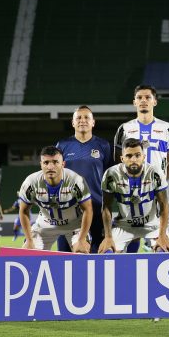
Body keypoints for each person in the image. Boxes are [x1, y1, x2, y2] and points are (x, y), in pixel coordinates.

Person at [115, 84, 169, 251]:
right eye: (140, 98)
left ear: (154, 102)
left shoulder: (167, 128)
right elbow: (117, 159)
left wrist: (161, 182)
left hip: (158, 188)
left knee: (162, 243)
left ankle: (156, 245)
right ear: (134, 102)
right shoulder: (124, 129)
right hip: (130, 187)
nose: (143, 101)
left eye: (147, 98)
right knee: (131, 232)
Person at [55, 105, 113, 253]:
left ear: (93, 122)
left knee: (96, 255)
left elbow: (107, 177)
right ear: (73, 123)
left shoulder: (103, 145)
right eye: (78, 118)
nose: (82, 120)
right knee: (65, 254)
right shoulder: (62, 145)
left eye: (86, 117)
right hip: (68, 209)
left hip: (96, 208)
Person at [98, 138, 169, 253]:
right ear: (122, 159)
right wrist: (108, 237)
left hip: (152, 225)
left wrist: (162, 235)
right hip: (124, 225)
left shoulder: (155, 173)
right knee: (107, 254)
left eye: (137, 155)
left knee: (163, 252)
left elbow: (164, 205)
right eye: (129, 156)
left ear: (143, 157)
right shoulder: (111, 175)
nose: (133, 159)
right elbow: (106, 206)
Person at [17, 146, 92, 253]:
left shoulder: (76, 180)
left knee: (81, 252)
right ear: (41, 164)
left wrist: (81, 239)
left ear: (63, 164)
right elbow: (23, 211)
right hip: (45, 225)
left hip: (74, 225)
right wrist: (29, 240)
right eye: (46, 162)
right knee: (29, 254)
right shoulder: (31, 182)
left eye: (55, 162)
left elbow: (88, 209)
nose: (50, 167)